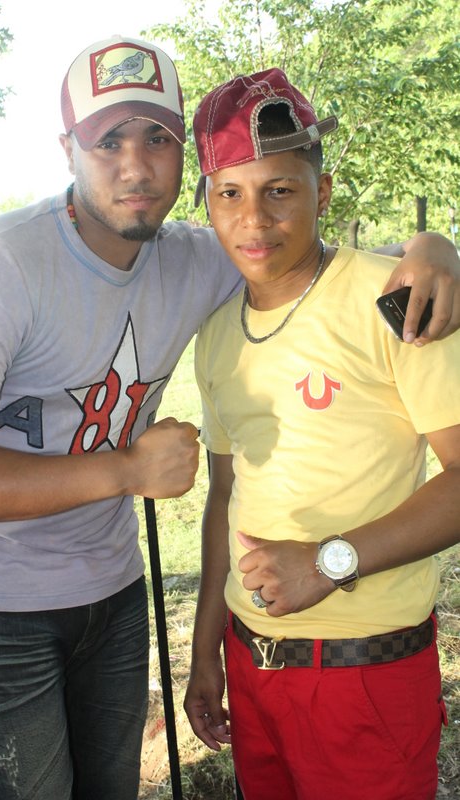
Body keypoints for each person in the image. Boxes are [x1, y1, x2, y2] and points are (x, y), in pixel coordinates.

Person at [0, 35, 458, 800]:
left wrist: (435, 246)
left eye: (158, 139)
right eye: (108, 141)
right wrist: (128, 476)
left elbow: (327, 267)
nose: (136, 166)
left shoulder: (207, 261)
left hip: (122, 591)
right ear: (66, 149)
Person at [184, 68, 460, 800]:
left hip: (365, 671)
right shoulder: (217, 335)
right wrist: (207, 649)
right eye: (229, 194)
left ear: (323, 191)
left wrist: (330, 562)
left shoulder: (392, 298)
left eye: (280, 189)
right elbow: (224, 497)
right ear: (207, 203)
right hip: (252, 667)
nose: (254, 219)